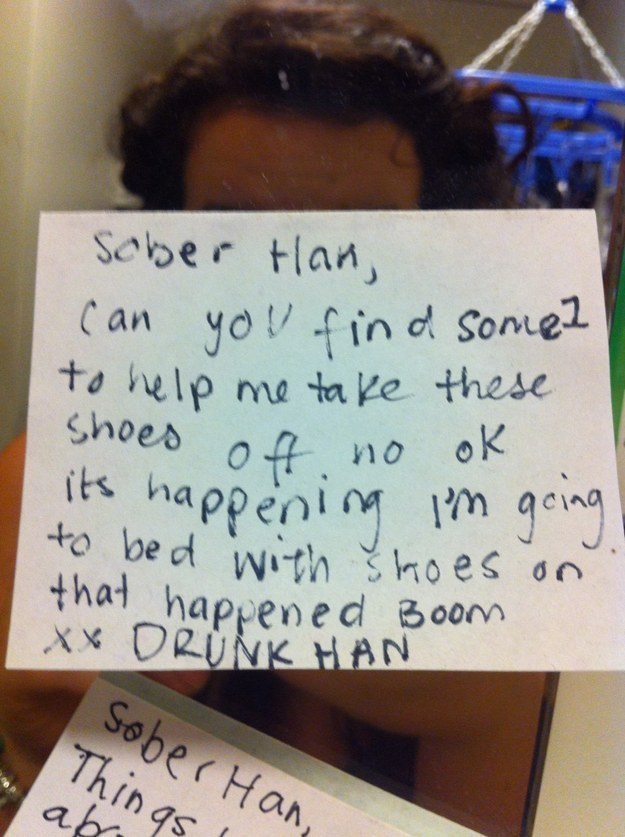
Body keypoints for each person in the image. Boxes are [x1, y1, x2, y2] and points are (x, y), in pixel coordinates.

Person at [0, 2, 545, 834]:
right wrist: (24, 755)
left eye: (358, 247)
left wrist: (489, 717)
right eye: (232, 240)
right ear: (159, 251)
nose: (293, 297)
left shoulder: (514, 523)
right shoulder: (52, 494)